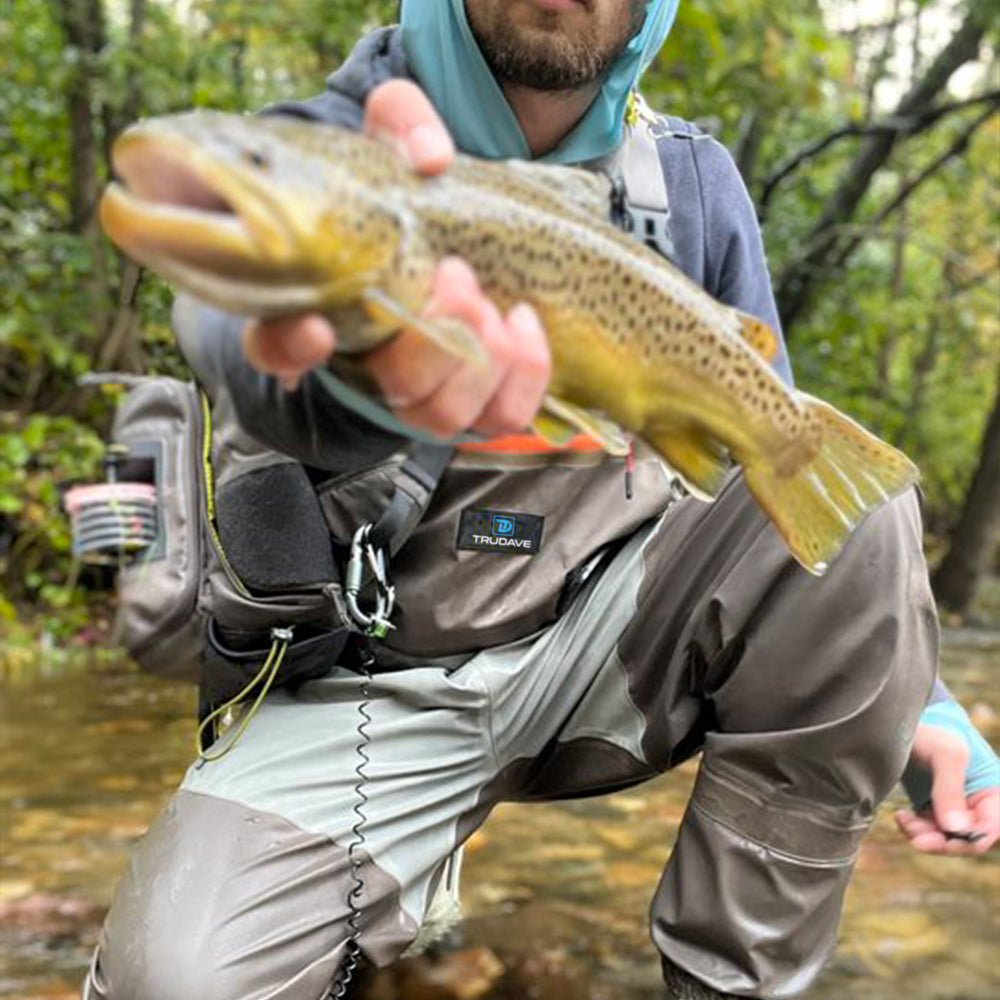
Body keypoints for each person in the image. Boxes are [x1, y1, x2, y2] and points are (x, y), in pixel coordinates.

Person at [84, 2, 999, 998]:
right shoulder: (309, 147)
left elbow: (793, 496)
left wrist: (924, 710)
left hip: (605, 656)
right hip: (362, 682)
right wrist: (352, 370)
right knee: (172, 983)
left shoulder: (691, 183)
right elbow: (233, 338)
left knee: (842, 481)